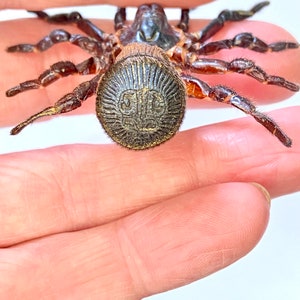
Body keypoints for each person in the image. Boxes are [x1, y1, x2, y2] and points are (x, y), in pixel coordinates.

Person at [0, 0, 299, 298]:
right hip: (148, 94)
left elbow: (67, 34)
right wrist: (269, 72)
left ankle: (35, 112)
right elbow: (236, 54)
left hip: (131, 88)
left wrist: (36, 70)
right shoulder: (190, 50)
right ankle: (267, 112)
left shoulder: (106, 46)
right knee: (230, 60)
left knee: (72, 31)